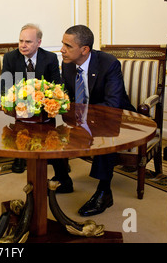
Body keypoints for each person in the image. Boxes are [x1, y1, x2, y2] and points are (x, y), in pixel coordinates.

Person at [58, 24, 135, 216]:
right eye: (62, 44)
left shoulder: (109, 63)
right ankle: (63, 178)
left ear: (84, 50)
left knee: (104, 131)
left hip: (117, 116)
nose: (62, 50)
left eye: (67, 46)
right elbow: (67, 95)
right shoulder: (67, 64)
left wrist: (84, 119)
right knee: (49, 128)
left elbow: (113, 103)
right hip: (83, 116)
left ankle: (104, 191)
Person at [0, 23, 61, 173]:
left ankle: (53, 158)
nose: (23, 45)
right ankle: (20, 155)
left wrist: (45, 100)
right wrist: (12, 101)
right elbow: (5, 85)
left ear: (39, 42)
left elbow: (57, 85)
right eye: (21, 41)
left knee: (47, 122)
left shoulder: (50, 58)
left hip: (43, 106)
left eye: (28, 42)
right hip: (19, 105)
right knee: (21, 114)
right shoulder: (10, 57)